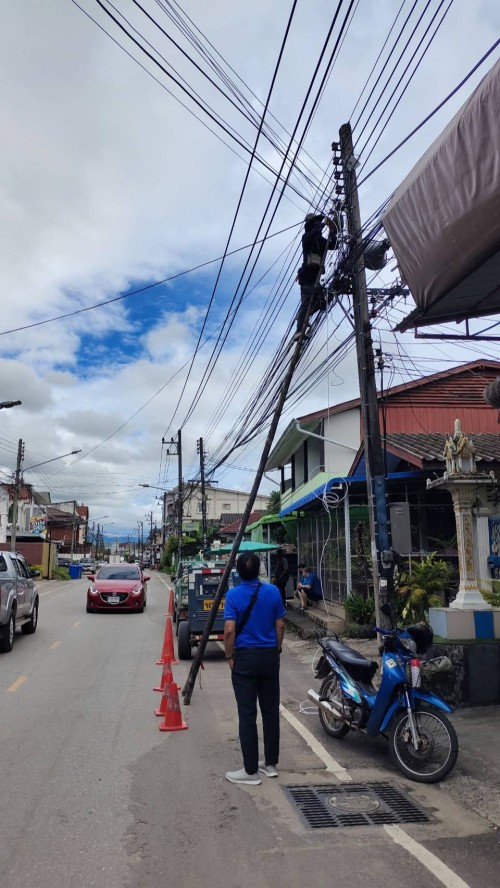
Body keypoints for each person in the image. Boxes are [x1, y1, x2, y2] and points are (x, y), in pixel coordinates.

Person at [224, 552, 286, 786]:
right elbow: (280, 624)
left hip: (246, 658)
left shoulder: (233, 595)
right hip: (269, 656)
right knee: (270, 710)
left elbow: (229, 630)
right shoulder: (273, 592)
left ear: (238, 571)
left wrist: (229, 656)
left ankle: (250, 771)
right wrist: (277, 647)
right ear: (259, 569)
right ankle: (270, 764)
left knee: (247, 713)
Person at [295, 213, 337, 333]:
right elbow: (313, 234)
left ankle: (303, 316)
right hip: (307, 277)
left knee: (322, 302)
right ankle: (299, 330)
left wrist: (333, 232)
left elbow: (333, 245)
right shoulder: (307, 237)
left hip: (316, 278)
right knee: (306, 302)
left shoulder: (320, 240)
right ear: (311, 224)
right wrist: (323, 224)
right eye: (315, 222)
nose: (317, 223)